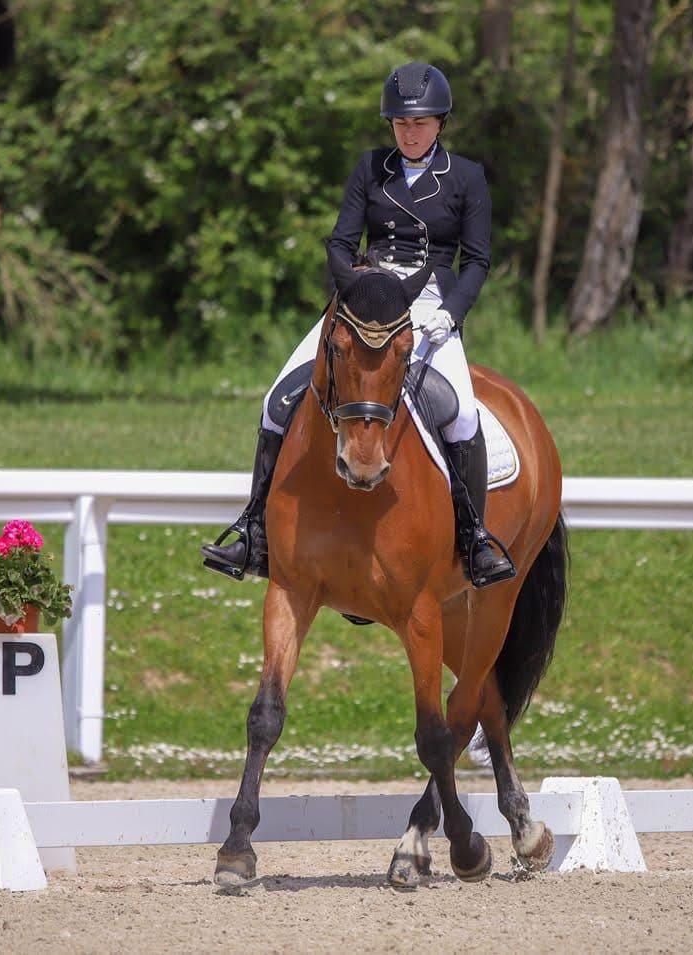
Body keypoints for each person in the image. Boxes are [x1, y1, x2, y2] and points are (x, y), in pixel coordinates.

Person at [202, 62, 515, 589]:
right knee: (277, 398)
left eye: (418, 124)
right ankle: (253, 529)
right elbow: (341, 242)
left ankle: (474, 537)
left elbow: (477, 259)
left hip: (429, 299)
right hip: (363, 295)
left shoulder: (465, 177)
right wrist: (348, 285)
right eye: (400, 124)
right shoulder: (370, 168)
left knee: (460, 414)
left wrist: (451, 313)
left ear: (440, 122)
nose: (409, 133)